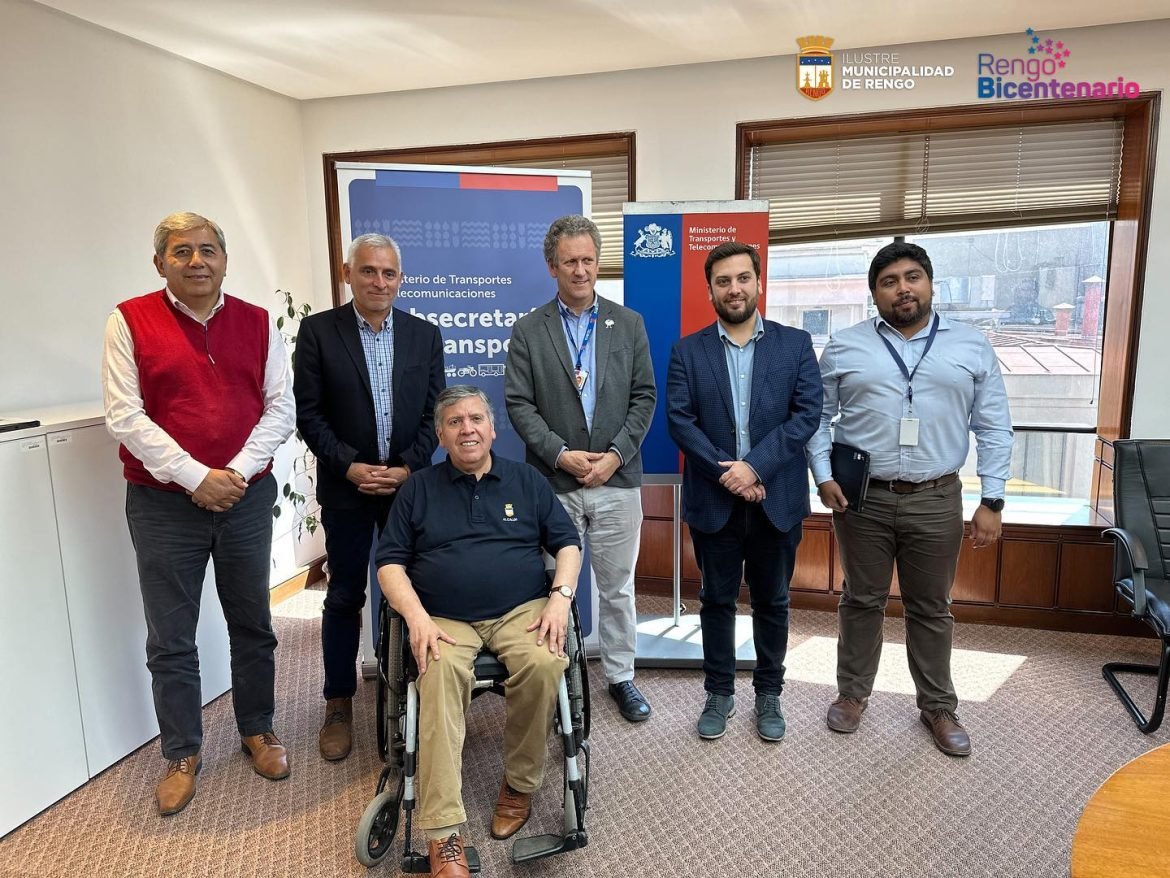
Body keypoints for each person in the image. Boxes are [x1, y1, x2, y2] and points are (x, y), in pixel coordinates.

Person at [102, 211, 296, 816]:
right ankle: (181, 753)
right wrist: (195, 477)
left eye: (208, 250)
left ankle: (257, 729)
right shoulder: (128, 320)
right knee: (171, 637)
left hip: (244, 497)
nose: (196, 261)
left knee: (253, 622)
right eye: (182, 251)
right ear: (159, 262)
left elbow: (281, 408)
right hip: (162, 504)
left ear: (224, 260)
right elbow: (125, 415)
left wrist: (231, 474)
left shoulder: (258, 323)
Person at [807, 241, 1013, 757]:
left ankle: (938, 706)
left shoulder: (971, 345)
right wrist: (823, 475)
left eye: (912, 277)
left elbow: (993, 425)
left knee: (931, 607)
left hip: (936, 496)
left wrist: (993, 499)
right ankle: (853, 693)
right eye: (889, 281)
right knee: (861, 599)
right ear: (875, 293)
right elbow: (817, 418)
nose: (902, 288)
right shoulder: (845, 346)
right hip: (862, 499)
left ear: (930, 284)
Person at [376, 386, 582, 878]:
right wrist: (417, 618)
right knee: (436, 671)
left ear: (491, 428)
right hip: (443, 617)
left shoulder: (526, 480)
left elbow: (567, 543)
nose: (466, 429)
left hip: (521, 609)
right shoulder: (417, 489)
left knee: (545, 661)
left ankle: (520, 785)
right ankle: (443, 833)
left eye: (475, 419)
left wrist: (560, 597)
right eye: (454, 422)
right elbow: (389, 564)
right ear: (440, 435)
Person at [294, 233, 445, 762]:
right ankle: (338, 701)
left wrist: (405, 468)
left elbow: (434, 414)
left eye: (388, 273)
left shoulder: (425, 336)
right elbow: (309, 413)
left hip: (408, 488)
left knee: (416, 590)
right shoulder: (318, 333)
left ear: (400, 279)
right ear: (348, 273)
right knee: (344, 596)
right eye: (368, 271)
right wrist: (349, 465)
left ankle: (416, 687)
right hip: (347, 488)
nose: (379, 282)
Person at [667, 241, 823, 742]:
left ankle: (769, 692)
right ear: (710, 290)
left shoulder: (795, 344)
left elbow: (806, 416)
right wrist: (730, 475)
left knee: (773, 601)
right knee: (716, 600)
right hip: (714, 502)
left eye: (742, 278)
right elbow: (680, 422)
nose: (733, 289)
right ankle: (719, 692)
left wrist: (754, 468)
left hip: (777, 499)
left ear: (758, 282)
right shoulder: (687, 351)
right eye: (723, 281)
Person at [505, 214, 656, 723]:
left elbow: (644, 397)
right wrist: (559, 454)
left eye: (588, 260)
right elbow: (519, 404)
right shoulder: (529, 330)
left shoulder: (628, 323)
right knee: (552, 588)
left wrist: (615, 456)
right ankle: (553, 678)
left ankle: (621, 676)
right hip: (554, 482)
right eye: (570, 261)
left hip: (617, 479)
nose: (580, 270)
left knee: (618, 587)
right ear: (552, 266)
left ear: (598, 262)